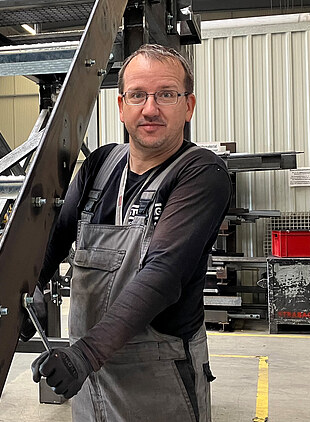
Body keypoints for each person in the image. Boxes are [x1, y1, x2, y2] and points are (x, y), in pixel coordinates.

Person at [23, 44, 232, 422]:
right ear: (121, 106)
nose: (150, 109)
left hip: (159, 381)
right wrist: (30, 289)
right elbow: (53, 240)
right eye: (138, 95)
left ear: (189, 105)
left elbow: (162, 275)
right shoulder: (101, 165)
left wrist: (83, 355)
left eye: (166, 94)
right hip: (91, 379)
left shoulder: (201, 173)